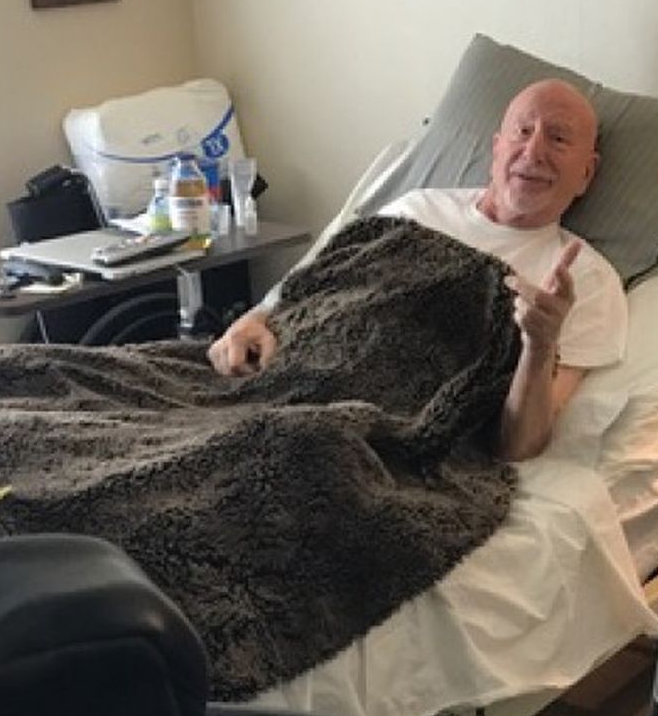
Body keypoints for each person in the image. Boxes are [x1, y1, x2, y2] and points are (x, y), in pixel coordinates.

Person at [207, 79, 626, 462]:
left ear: (586, 173)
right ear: (497, 148)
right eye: (523, 131)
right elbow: (315, 285)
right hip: (276, 377)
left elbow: (520, 446)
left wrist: (539, 346)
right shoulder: (417, 208)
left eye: (558, 138)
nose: (533, 152)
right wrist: (252, 320)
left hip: (369, 430)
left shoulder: (583, 280)